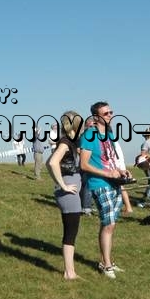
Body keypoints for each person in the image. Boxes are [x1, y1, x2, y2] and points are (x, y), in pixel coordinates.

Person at [80, 101, 131, 279]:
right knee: (108, 225)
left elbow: (110, 158)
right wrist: (107, 173)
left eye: (111, 112)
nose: (110, 115)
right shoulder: (89, 135)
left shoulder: (108, 134)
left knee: (109, 224)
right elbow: (84, 164)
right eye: (106, 113)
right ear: (96, 117)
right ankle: (106, 265)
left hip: (114, 182)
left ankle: (105, 261)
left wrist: (121, 171)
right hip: (99, 183)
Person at [46, 111, 84, 280]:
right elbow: (52, 162)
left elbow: (50, 163)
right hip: (69, 194)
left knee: (72, 231)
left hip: (71, 192)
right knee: (70, 232)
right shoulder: (66, 142)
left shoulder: (71, 142)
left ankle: (70, 271)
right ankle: (69, 272)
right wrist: (63, 185)